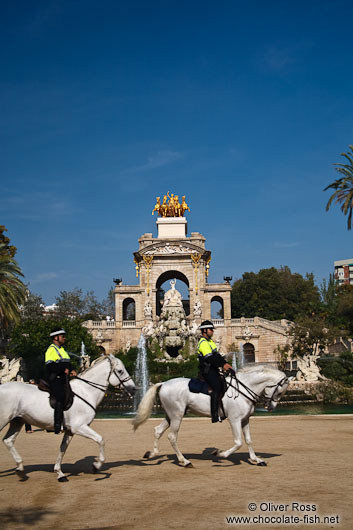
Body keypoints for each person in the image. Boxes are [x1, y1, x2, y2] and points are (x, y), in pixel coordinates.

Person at [197, 320, 234, 423]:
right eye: (211, 329)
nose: (212, 331)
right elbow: (210, 358)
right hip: (207, 370)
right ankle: (214, 415)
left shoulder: (210, 342)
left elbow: (217, 356)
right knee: (216, 388)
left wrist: (226, 364)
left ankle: (223, 409)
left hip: (213, 369)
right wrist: (222, 365)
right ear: (204, 330)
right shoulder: (203, 342)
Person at [45, 329, 73, 434]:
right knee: (60, 396)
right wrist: (63, 370)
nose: (64, 338)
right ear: (56, 338)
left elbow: (67, 363)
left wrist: (72, 369)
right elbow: (50, 365)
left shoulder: (62, 349)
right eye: (62, 336)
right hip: (55, 378)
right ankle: (56, 425)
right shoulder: (51, 350)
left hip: (64, 378)